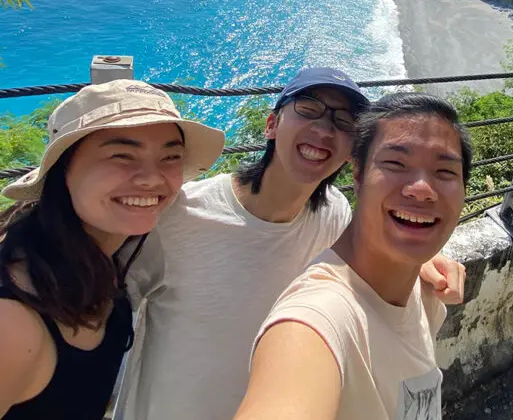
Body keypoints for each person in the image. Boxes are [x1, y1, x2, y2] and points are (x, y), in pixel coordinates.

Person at [117, 68, 467, 420]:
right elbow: (98, 315)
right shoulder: (182, 215)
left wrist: (418, 257)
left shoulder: (333, 215)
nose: (324, 129)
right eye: (308, 108)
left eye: (344, 121)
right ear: (271, 125)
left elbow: (371, 248)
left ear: (352, 155)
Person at [235, 92, 472, 420]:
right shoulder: (316, 321)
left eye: (445, 172)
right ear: (357, 176)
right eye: (395, 163)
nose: (421, 188)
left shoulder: (422, 292)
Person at [0, 80, 224, 420]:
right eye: (122, 155)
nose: (151, 178)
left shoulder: (102, 261)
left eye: (170, 157)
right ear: (63, 169)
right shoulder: (13, 323)